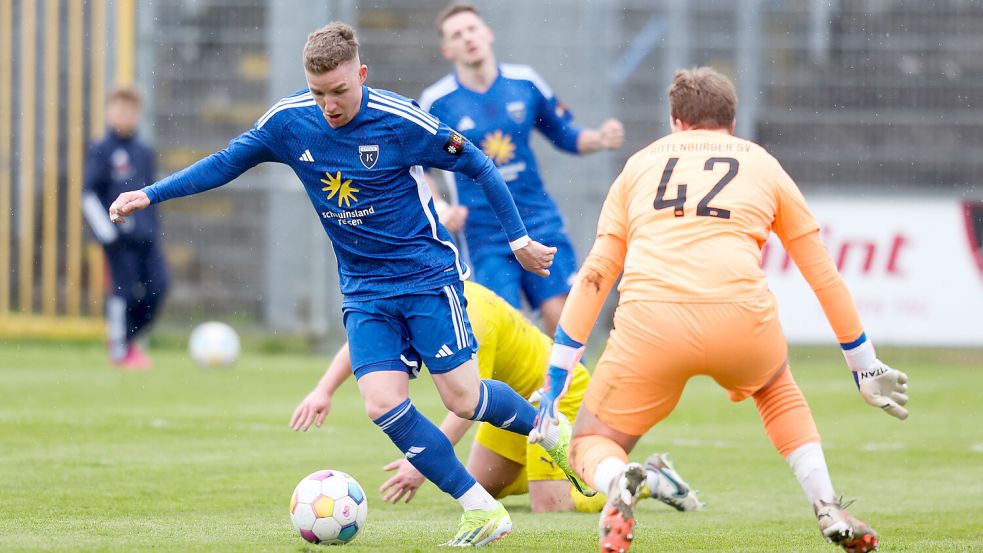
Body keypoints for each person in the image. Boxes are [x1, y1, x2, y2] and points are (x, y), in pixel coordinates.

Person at [108, 22, 586, 547]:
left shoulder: (399, 120)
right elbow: (226, 163)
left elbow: (477, 163)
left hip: (427, 277)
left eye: (339, 91)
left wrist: (518, 240)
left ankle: (548, 428)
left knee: (463, 401)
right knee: (382, 403)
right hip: (363, 290)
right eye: (318, 93)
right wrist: (149, 194)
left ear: (360, 74)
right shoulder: (290, 122)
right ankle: (480, 510)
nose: (330, 105)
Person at [530, 67, 909, 553]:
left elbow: (596, 276)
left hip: (652, 324)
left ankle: (619, 479)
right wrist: (863, 363)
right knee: (776, 391)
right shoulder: (762, 163)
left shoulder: (640, 166)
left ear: (675, 121)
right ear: (732, 119)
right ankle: (827, 503)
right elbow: (823, 274)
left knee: (587, 442)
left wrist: (554, 381)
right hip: (740, 320)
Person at [290, 280, 703, 515]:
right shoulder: (418, 292)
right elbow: (368, 341)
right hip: (509, 402)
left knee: (550, 506)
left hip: (552, 393)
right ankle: (563, 466)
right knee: (487, 487)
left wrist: (421, 463)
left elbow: (468, 404)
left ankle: (645, 479)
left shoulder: (467, 317)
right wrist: (323, 389)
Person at [419, 3, 625, 336]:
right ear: (447, 49)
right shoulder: (437, 102)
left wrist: (600, 138)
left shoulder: (524, 82)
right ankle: (521, 389)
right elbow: (420, 167)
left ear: (487, 33)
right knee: (505, 327)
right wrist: (441, 208)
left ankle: (565, 387)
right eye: (457, 34)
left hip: (538, 219)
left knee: (562, 317)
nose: (468, 38)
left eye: (472, 29)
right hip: (483, 233)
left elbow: (566, 134)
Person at [82, 86, 168, 370]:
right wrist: (107, 233)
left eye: (131, 111)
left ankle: (128, 339)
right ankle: (120, 350)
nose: (125, 116)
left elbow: (151, 194)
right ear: (109, 113)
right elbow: (89, 194)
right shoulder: (102, 150)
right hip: (119, 240)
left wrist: (153, 228)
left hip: (147, 238)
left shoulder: (143, 151)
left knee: (159, 286)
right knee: (125, 292)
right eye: (120, 110)